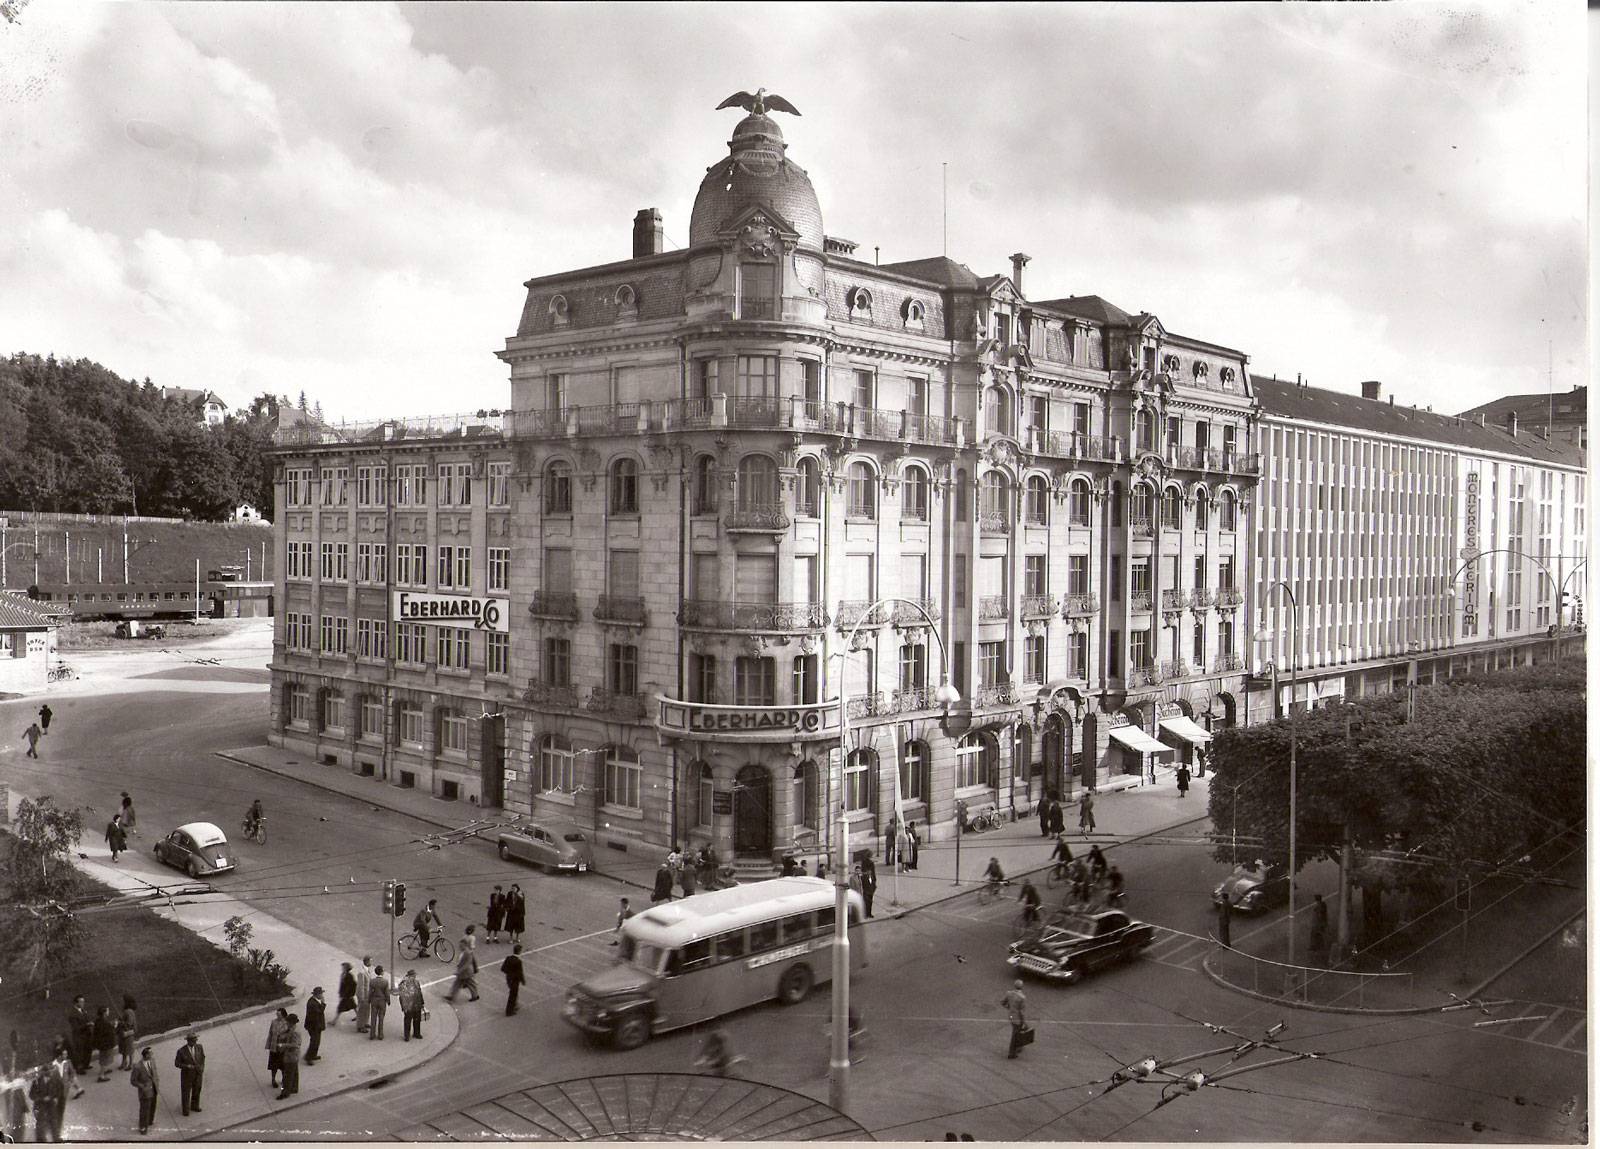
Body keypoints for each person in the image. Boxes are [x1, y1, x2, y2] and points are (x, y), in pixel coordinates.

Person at [30, 1053, 64, 1142]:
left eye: (51, 1071)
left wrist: (55, 1097)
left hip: (51, 1102)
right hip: (40, 1104)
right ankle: (40, 1138)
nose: (50, 1074)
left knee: (54, 1120)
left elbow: (60, 1089)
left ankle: (56, 1138)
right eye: (47, 1073)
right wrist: (41, 1099)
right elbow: (32, 1095)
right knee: (40, 1121)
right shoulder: (37, 1081)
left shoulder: (55, 1079)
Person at [174, 1032, 204, 1116]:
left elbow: (202, 1058)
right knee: (186, 1093)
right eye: (193, 1041)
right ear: (188, 1041)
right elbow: (177, 1063)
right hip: (187, 1076)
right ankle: (185, 1110)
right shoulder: (181, 1051)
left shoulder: (199, 1047)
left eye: (195, 1040)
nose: (195, 1042)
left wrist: (202, 1068)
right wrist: (187, 1066)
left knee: (197, 1090)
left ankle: (195, 1106)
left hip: (198, 1074)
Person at [131, 1046, 159, 1134]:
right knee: (144, 1110)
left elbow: (154, 1072)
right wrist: (142, 1086)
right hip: (145, 1092)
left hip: (154, 1088)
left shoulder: (152, 1061)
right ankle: (143, 1127)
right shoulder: (138, 1067)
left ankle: (150, 1121)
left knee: (153, 1106)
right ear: (146, 1055)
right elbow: (133, 1081)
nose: (152, 1055)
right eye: (150, 1053)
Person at [445, 934, 481, 1003]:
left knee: (470, 985)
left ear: (465, 945)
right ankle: (451, 996)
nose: (459, 946)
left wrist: (459, 971)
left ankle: (475, 996)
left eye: (461, 945)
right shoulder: (463, 952)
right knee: (458, 984)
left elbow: (467, 964)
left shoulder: (468, 953)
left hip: (466, 973)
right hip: (463, 973)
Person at [275, 1014, 301, 1099]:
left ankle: (285, 1092)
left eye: (287, 1022)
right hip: (294, 1056)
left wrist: (283, 1045)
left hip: (291, 1056)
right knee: (294, 1072)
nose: (286, 1023)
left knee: (287, 1075)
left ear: (291, 1023)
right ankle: (294, 1088)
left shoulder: (295, 1032)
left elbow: (295, 1045)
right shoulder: (292, 1029)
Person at [1002, 979, 1029, 1059]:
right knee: (1016, 1034)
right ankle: (1012, 1053)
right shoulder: (1022, 998)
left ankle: (1018, 1047)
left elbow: (1002, 1002)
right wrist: (1024, 1022)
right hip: (1018, 1019)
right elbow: (1022, 1012)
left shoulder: (1009, 993)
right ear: (1022, 987)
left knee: (1017, 1032)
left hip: (1011, 1016)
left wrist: (1009, 1008)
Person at [66, 995, 93, 1075]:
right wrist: (87, 1025)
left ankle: (85, 1065)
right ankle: (79, 1068)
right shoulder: (73, 1014)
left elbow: (87, 1019)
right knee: (80, 1051)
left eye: (83, 1001)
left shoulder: (83, 1010)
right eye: (81, 1002)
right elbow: (75, 1027)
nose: (83, 1003)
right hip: (79, 1036)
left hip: (86, 1034)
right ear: (76, 1003)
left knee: (87, 1050)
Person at [93, 1005, 118, 1082]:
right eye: (107, 1010)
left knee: (102, 1057)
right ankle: (101, 1076)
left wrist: (110, 1024)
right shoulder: (105, 1022)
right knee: (105, 1059)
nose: (108, 1012)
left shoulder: (98, 1020)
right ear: (104, 1013)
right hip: (106, 1044)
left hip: (101, 1043)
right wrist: (115, 1025)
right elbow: (110, 1031)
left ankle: (104, 1070)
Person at [398, 969, 425, 1041]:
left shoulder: (416, 982)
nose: (415, 976)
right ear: (410, 976)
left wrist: (422, 1002)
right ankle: (409, 1035)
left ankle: (414, 1034)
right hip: (409, 1006)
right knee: (410, 1020)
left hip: (415, 1005)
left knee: (415, 1020)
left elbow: (419, 992)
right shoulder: (404, 983)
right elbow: (402, 996)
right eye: (414, 975)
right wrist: (404, 1006)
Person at [265, 1008, 288, 1089]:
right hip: (274, 1047)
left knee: (283, 1065)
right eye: (277, 1014)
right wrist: (268, 1045)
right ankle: (273, 1080)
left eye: (279, 1015)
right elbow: (270, 1034)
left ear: (283, 1015)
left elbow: (288, 1035)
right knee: (273, 1065)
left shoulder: (287, 1023)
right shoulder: (274, 1022)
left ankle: (284, 1079)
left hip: (282, 1048)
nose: (277, 1016)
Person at [368, 965, 393, 1040]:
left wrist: (369, 1000)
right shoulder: (385, 981)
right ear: (381, 972)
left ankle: (372, 1034)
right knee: (381, 1018)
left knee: (373, 1017)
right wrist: (388, 1001)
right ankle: (380, 1035)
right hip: (382, 1001)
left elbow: (370, 992)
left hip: (374, 1001)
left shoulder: (372, 981)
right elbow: (387, 993)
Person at [304, 987, 327, 1064]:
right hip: (314, 1026)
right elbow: (319, 1011)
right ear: (317, 994)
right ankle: (309, 1057)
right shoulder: (312, 1003)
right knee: (314, 1041)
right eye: (321, 993)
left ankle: (313, 1055)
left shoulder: (314, 1001)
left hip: (316, 1025)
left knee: (316, 1041)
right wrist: (323, 1003)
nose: (322, 995)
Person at [501, 944, 525, 1016]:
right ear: (519, 952)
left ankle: (515, 1005)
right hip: (515, 980)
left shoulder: (508, 958)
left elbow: (503, 968)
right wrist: (522, 980)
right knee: (512, 995)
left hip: (509, 978)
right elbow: (520, 972)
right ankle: (509, 1011)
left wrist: (509, 973)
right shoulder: (518, 961)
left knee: (513, 993)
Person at [117, 995, 138, 1070]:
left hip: (128, 1033)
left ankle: (131, 1063)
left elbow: (129, 1023)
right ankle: (124, 1062)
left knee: (129, 1049)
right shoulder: (125, 1010)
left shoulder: (128, 1011)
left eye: (122, 1001)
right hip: (124, 1033)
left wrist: (120, 1022)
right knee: (124, 1048)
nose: (121, 1002)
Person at [334, 962, 358, 1027]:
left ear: (347, 968)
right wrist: (340, 992)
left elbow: (352, 985)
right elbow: (341, 985)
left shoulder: (350, 976)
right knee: (353, 1006)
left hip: (347, 995)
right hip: (345, 995)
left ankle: (334, 1021)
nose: (342, 968)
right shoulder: (343, 974)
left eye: (343, 967)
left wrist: (348, 994)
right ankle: (359, 1016)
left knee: (340, 1007)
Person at [354, 956, 374, 1033]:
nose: (371, 963)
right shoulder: (362, 972)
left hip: (367, 994)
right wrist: (361, 997)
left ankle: (365, 1023)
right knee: (362, 1011)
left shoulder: (367, 970)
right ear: (367, 962)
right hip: (364, 995)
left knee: (366, 1010)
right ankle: (360, 1026)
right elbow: (360, 986)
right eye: (370, 961)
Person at [1309, 893, 1330, 959]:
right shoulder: (1323, 904)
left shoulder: (1319, 907)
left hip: (1319, 924)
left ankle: (1315, 946)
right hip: (1322, 923)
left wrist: (1319, 923)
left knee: (1315, 934)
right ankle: (1319, 946)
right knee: (1319, 934)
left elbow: (1319, 916)